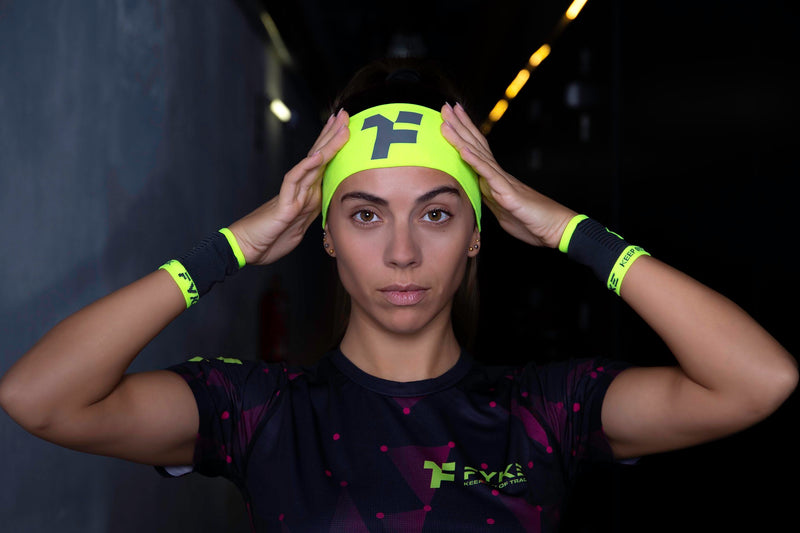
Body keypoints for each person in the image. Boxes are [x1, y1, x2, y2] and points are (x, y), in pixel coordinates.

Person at [0, 58, 796, 532]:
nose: (404, 250)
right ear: (327, 234)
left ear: (480, 233)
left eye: (440, 213)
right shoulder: (261, 412)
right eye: (366, 213)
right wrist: (234, 245)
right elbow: (41, 397)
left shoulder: (547, 409)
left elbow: (758, 380)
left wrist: (564, 227)